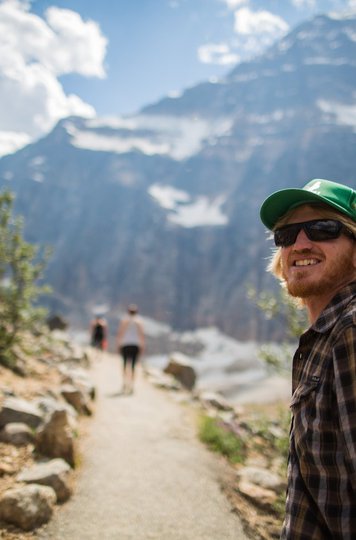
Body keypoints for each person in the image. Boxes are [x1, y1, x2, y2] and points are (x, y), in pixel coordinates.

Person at [260, 178, 356, 539]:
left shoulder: (350, 330)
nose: (300, 243)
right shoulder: (325, 336)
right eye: (286, 234)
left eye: (322, 228)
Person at [116, 304, 145, 394]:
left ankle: (125, 383)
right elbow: (141, 335)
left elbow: (120, 333)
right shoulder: (139, 321)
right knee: (133, 366)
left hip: (125, 344)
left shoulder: (124, 320)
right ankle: (131, 385)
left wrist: (118, 344)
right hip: (135, 345)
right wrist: (142, 346)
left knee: (125, 364)